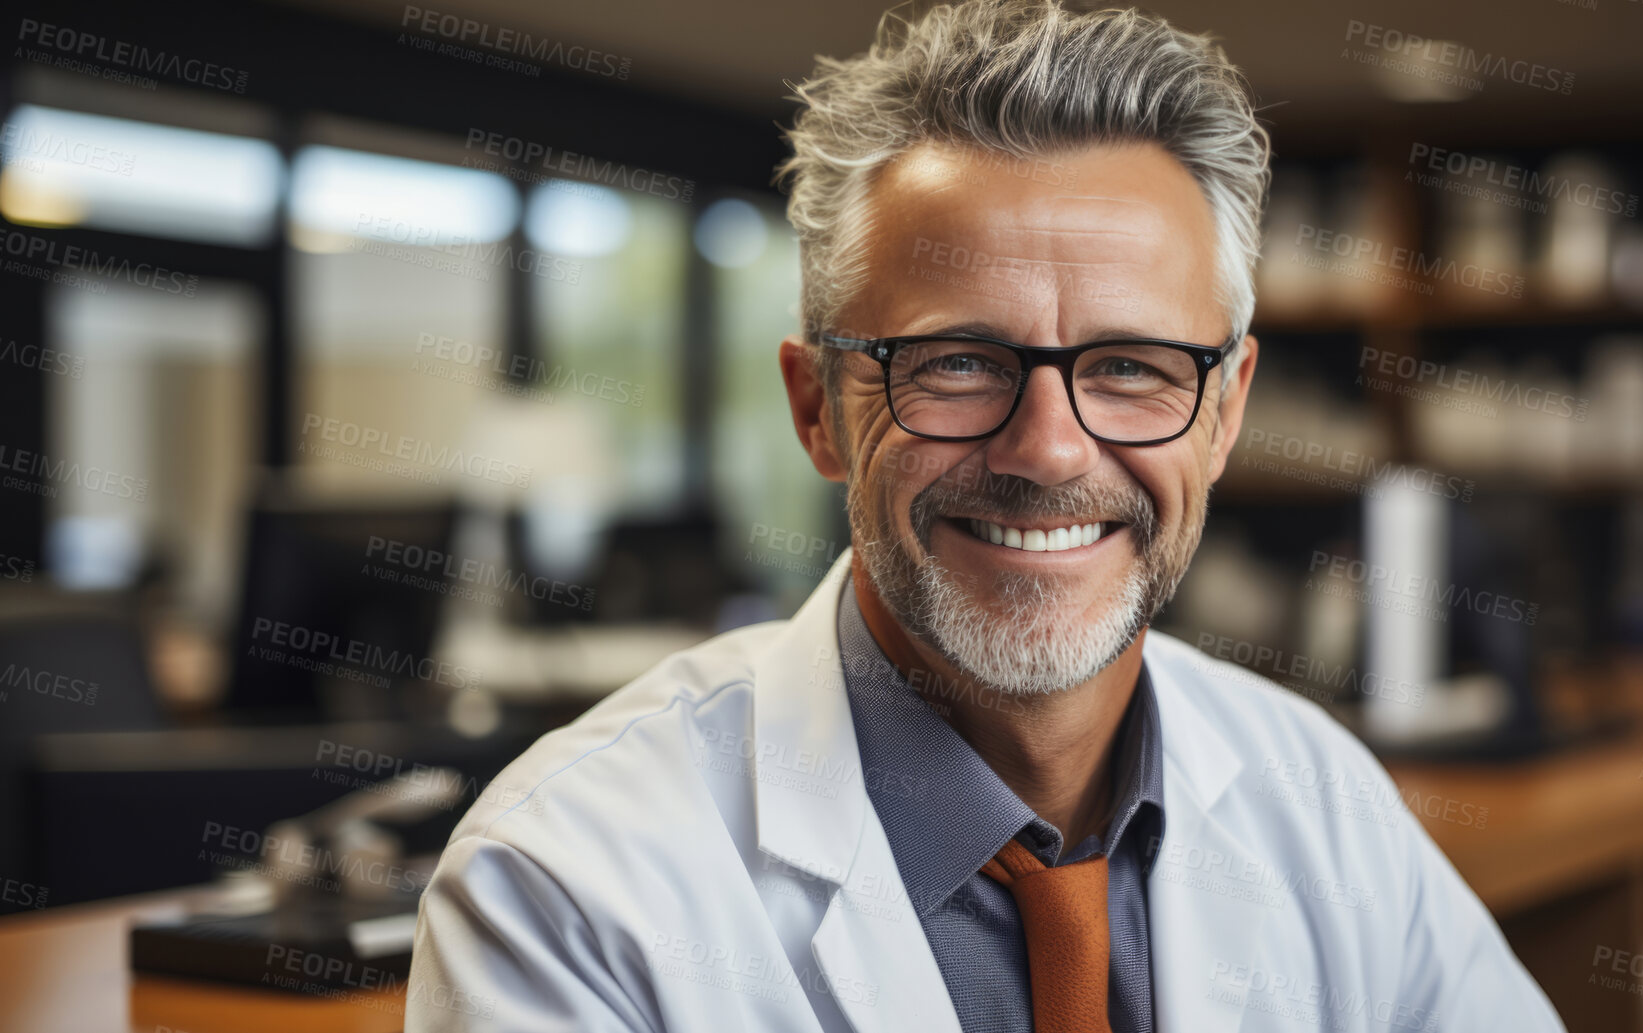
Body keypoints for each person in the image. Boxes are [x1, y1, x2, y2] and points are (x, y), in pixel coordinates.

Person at [406, 2, 1567, 1030]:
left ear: (1223, 414)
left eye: (1131, 365)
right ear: (818, 408)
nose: (1050, 448)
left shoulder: (1321, 796)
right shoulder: (567, 887)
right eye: (957, 361)